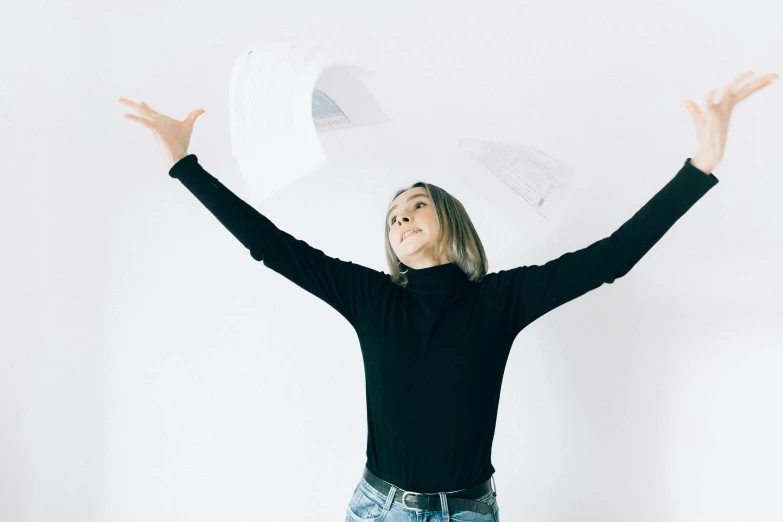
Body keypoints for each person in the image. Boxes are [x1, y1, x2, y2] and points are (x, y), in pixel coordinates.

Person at [118, 70, 776, 522]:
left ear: (450, 222)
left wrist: (700, 168)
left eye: (415, 206)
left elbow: (611, 258)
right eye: (392, 218)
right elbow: (272, 245)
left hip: (469, 510)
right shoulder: (371, 298)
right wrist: (185, 165)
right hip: (380, 507)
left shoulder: (502, 301)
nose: (400, 219)